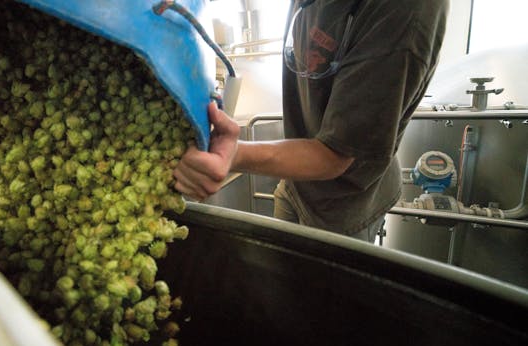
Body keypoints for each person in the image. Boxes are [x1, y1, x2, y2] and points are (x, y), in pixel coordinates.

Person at [173, 0, 449, 242]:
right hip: (296, 181)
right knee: (283, 278)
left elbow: (334, 156)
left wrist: (235, 154)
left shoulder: (404, 13)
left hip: (345, 205)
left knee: (323, 297)